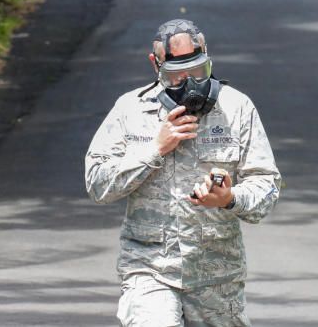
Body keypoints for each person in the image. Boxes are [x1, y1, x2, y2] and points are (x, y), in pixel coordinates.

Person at [85, 18, 282, 326]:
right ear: (156, 64)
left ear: (208, 57)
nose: (190, 83)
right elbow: (97, 183)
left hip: (217, 276)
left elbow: (268, 186)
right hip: (149, 268)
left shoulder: (237, 108)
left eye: (198, 72)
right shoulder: (131, 109)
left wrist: (230, 198)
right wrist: (155, 149)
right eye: (176, 75)